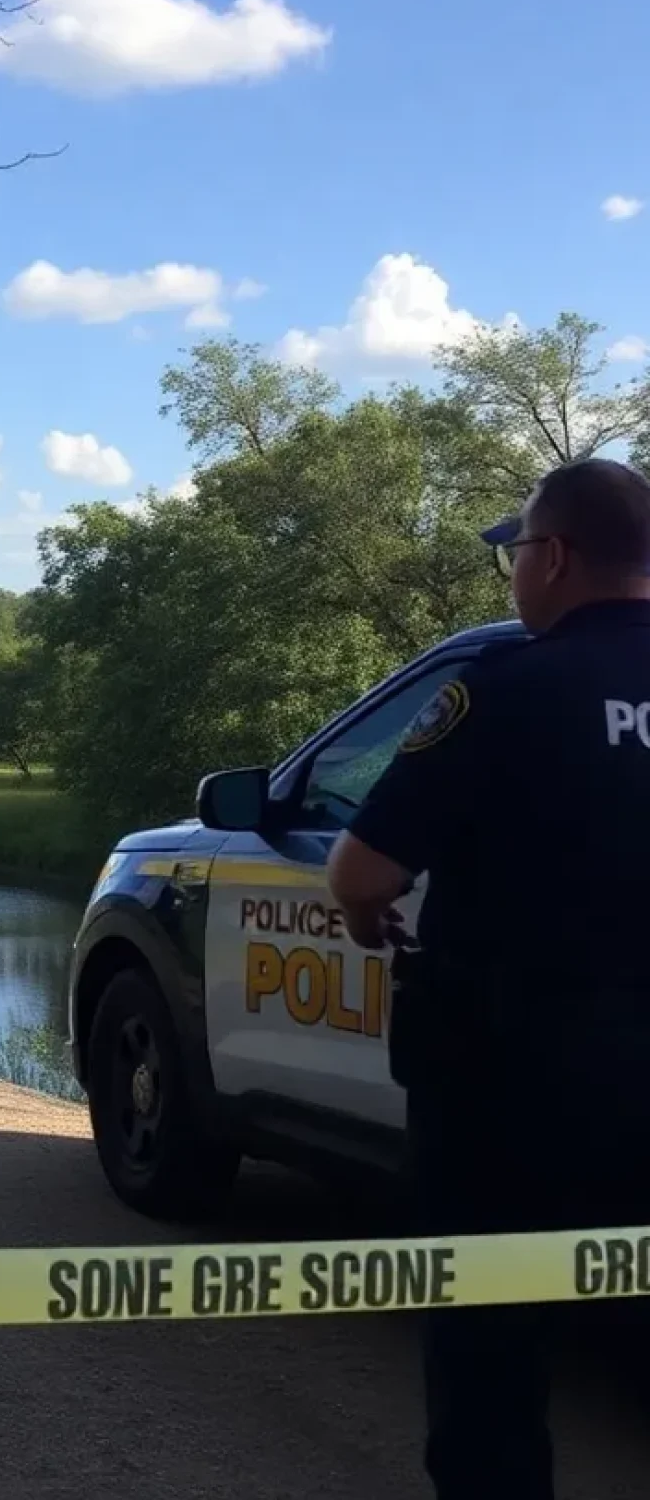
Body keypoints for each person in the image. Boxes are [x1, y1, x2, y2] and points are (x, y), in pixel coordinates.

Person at [325, 455, 650, 1500]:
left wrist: (370, 915)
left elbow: (364, 868)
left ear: (553, 557)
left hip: (513, 1090)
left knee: (491, 1358)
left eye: (517, 552)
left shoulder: (506, 687)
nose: (514, 574)